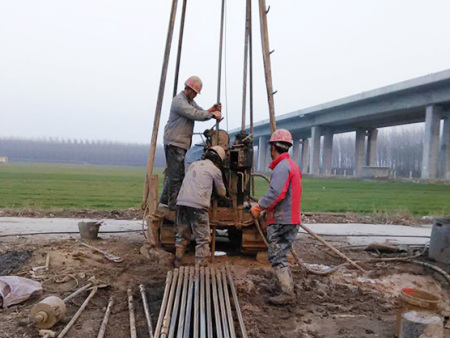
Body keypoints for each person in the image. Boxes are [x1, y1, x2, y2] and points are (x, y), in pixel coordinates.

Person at [250, 129, 302, 305]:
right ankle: (288, 286)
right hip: (291, 219)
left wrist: (258, 206)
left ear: (273, 148)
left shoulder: (282, 168)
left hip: (281, 220)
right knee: (282, 254)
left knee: (277, 256)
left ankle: (287, 293)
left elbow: (276, 193)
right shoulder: (292, 166)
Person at [161, 76, 222, 210]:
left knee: (173, 173)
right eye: (194, 92)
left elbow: (199, 110)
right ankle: (173, 206)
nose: (195, 95)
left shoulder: (190, 101)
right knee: (177, 176)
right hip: (174, 142)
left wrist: (211, 109)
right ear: (188, 89)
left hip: (180, 143)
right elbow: (195, 114)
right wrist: (212, 115)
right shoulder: (179, 101)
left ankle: (164, 200)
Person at [174, 146, 227, 267]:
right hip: (198, 204)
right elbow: (222, 192)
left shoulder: (194, 165)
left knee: (182, 233)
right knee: (203, 238)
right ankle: (200, 265)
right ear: (219, 160)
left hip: (181, 202)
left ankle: (178, 259)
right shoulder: (215, 170)